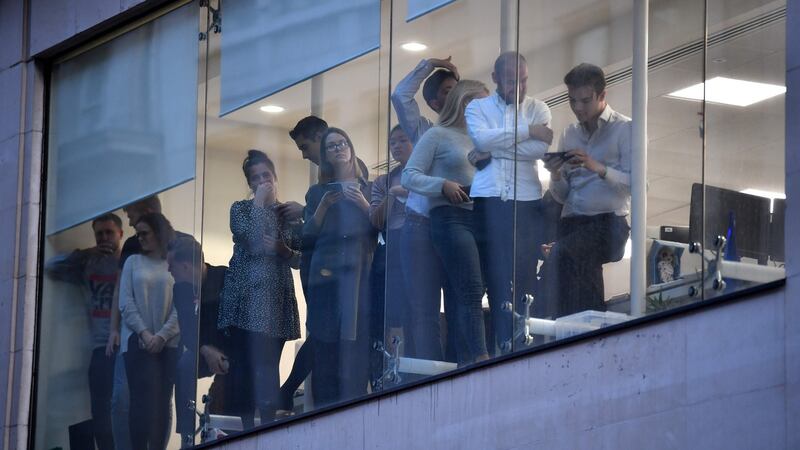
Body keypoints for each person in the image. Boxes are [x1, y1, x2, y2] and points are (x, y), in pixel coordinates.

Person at [464, 51, 553, 355]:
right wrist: (526, 132)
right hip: (489, 199)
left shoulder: (539, 108)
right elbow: (481, 141)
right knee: (494, 273)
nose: (520, 87)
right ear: (496, 79)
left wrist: (495, 146)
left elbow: (539, 150)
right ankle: (502, 340)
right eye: (512, 81)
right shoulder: (477, 107)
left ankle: (526, 340)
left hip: (527, 199)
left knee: (526, 271)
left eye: (524, 80)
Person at [402, 79, 492, 365]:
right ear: (464, 104)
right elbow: (409, 176)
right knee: (470, 288)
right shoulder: (437, 135)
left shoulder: (483, 140)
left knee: (472, 290)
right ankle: (478, 355)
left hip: (479, 216)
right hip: (450, 216)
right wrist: (442, 185)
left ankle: (465, 357)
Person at [217, 150, 302, 427]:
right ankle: (245, 429)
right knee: (244, 370)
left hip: (275, 301)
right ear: (250, 184)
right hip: (246, 301)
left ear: (275, 177)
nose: (263, 181)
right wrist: (259, 204)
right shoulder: (240, 209)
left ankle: (267, 426)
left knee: (268, 369)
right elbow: (250, 238)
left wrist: (283, 249)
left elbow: (300, 258)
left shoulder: (287, 213)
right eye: (256, 178)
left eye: (267, 175)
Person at [540, 63, 631, 318]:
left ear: (603, 96)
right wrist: (555, 173)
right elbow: (561, 195)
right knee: (569, 273)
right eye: (572, 101)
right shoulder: (569, 133)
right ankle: (576, 329)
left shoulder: (625, 129)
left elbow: (637, 185)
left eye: (585, 100)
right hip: (574, 223)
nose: (578, 108)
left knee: (563, 255)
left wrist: (596, 167)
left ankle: (563, 325)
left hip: (609, 223)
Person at [390, 57, 460, 362]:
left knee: (461, 303)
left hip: (458, 225)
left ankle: (461, 369)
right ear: (433, 102)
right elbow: (400, 96)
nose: (454, 95)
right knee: (424, 310)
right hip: (421, 227)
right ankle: (431, 375)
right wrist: (429, 64)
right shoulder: (423, 131)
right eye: (446, 91)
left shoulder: (473, 132)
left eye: (456, 89)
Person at [302, 127, 375, 406]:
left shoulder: (368, 187)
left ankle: (353, 401)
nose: (338, 149)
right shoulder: (317, 192)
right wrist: (322, 207)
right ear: (325, 156)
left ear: (351, 148)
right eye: (331, 146)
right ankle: (324, 407)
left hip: (358, 275)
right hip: (326, 274)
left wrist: (364, 204)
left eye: (342, 143)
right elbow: (306, 236)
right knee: (324, 340)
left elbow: (380, 230)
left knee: (354, 341)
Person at [44, 213, 124, 450]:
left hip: (127, 346)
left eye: (109, 233)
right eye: (99, 234)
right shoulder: (89, 262)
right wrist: (88, 253)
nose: (104, 238)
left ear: (120, 233)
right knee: (100, 413)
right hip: (99, 347)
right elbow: (50, 266)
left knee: (123, 410)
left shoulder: (128, 263)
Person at [119, 212, 179, 450]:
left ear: (159, 233)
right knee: (140, 402)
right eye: (138, 234)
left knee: (163, 401)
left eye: (145, 233)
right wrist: (145, 334)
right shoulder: (132, 262)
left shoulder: (172, 262)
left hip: (169, 343)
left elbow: (182, 304)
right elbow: (125, 302)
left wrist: (162, 335)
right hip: (137, 341)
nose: (140, 238)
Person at [109, 196, 163, 450]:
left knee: (160, 397)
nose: (129, 221)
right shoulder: (132, 245)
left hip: (164, 332)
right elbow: (121, 288)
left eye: (131, 215)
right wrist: (113, 330)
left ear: (148, 212)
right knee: (121, 397)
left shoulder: (178, 241)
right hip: (132, 331)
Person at [167, 236, 229, 447]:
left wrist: (221, 352)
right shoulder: (181, 290)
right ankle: (186, 435)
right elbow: (187, 331)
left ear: (185, 266)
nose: (169, 271)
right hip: (203, 349)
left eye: (171, 266)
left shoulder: (224, 277)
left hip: (231, 349)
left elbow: (238, 326)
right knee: (184, 365)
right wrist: (205, 349)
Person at [369, 125, 413, 376]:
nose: (396, 146)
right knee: (391, 312)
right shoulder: (383, 181)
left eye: (402, 140)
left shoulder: (425, 173)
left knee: (414, 310)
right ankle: (390, 369)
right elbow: (375, 220)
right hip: (392, 245)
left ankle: (411, 367)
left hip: (420, 244)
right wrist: (392, 195)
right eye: (392, 142)